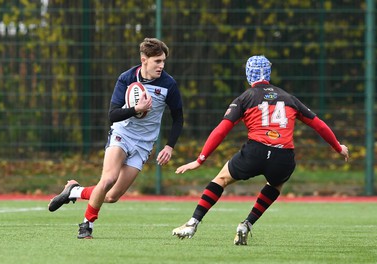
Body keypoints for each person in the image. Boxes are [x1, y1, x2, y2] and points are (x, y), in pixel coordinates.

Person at [171, 55, 349, 245]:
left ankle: (192, 223)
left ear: (248, 74)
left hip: (255, 152)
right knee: (275, 185)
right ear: (269, 73)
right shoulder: (289, 98)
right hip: (283, 156)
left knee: (221, 179)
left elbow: (221, 130)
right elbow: (319, 125)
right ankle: (246, 224)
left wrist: (200, 159)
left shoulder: (245, 98)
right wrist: (338, 148)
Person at [48, 38, 184, 239]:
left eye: (163, 61)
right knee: (108, 179)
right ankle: (86, 225)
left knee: (111, 196)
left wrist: (169, 147)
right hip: (122, 134)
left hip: (144, 144)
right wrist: (136, 109)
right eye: (157, 61)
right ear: (144, 59)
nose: (162, 66)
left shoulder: (168, 84)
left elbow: (179, 118)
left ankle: (74, 191)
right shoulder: (126, 78)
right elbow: (112, 115)